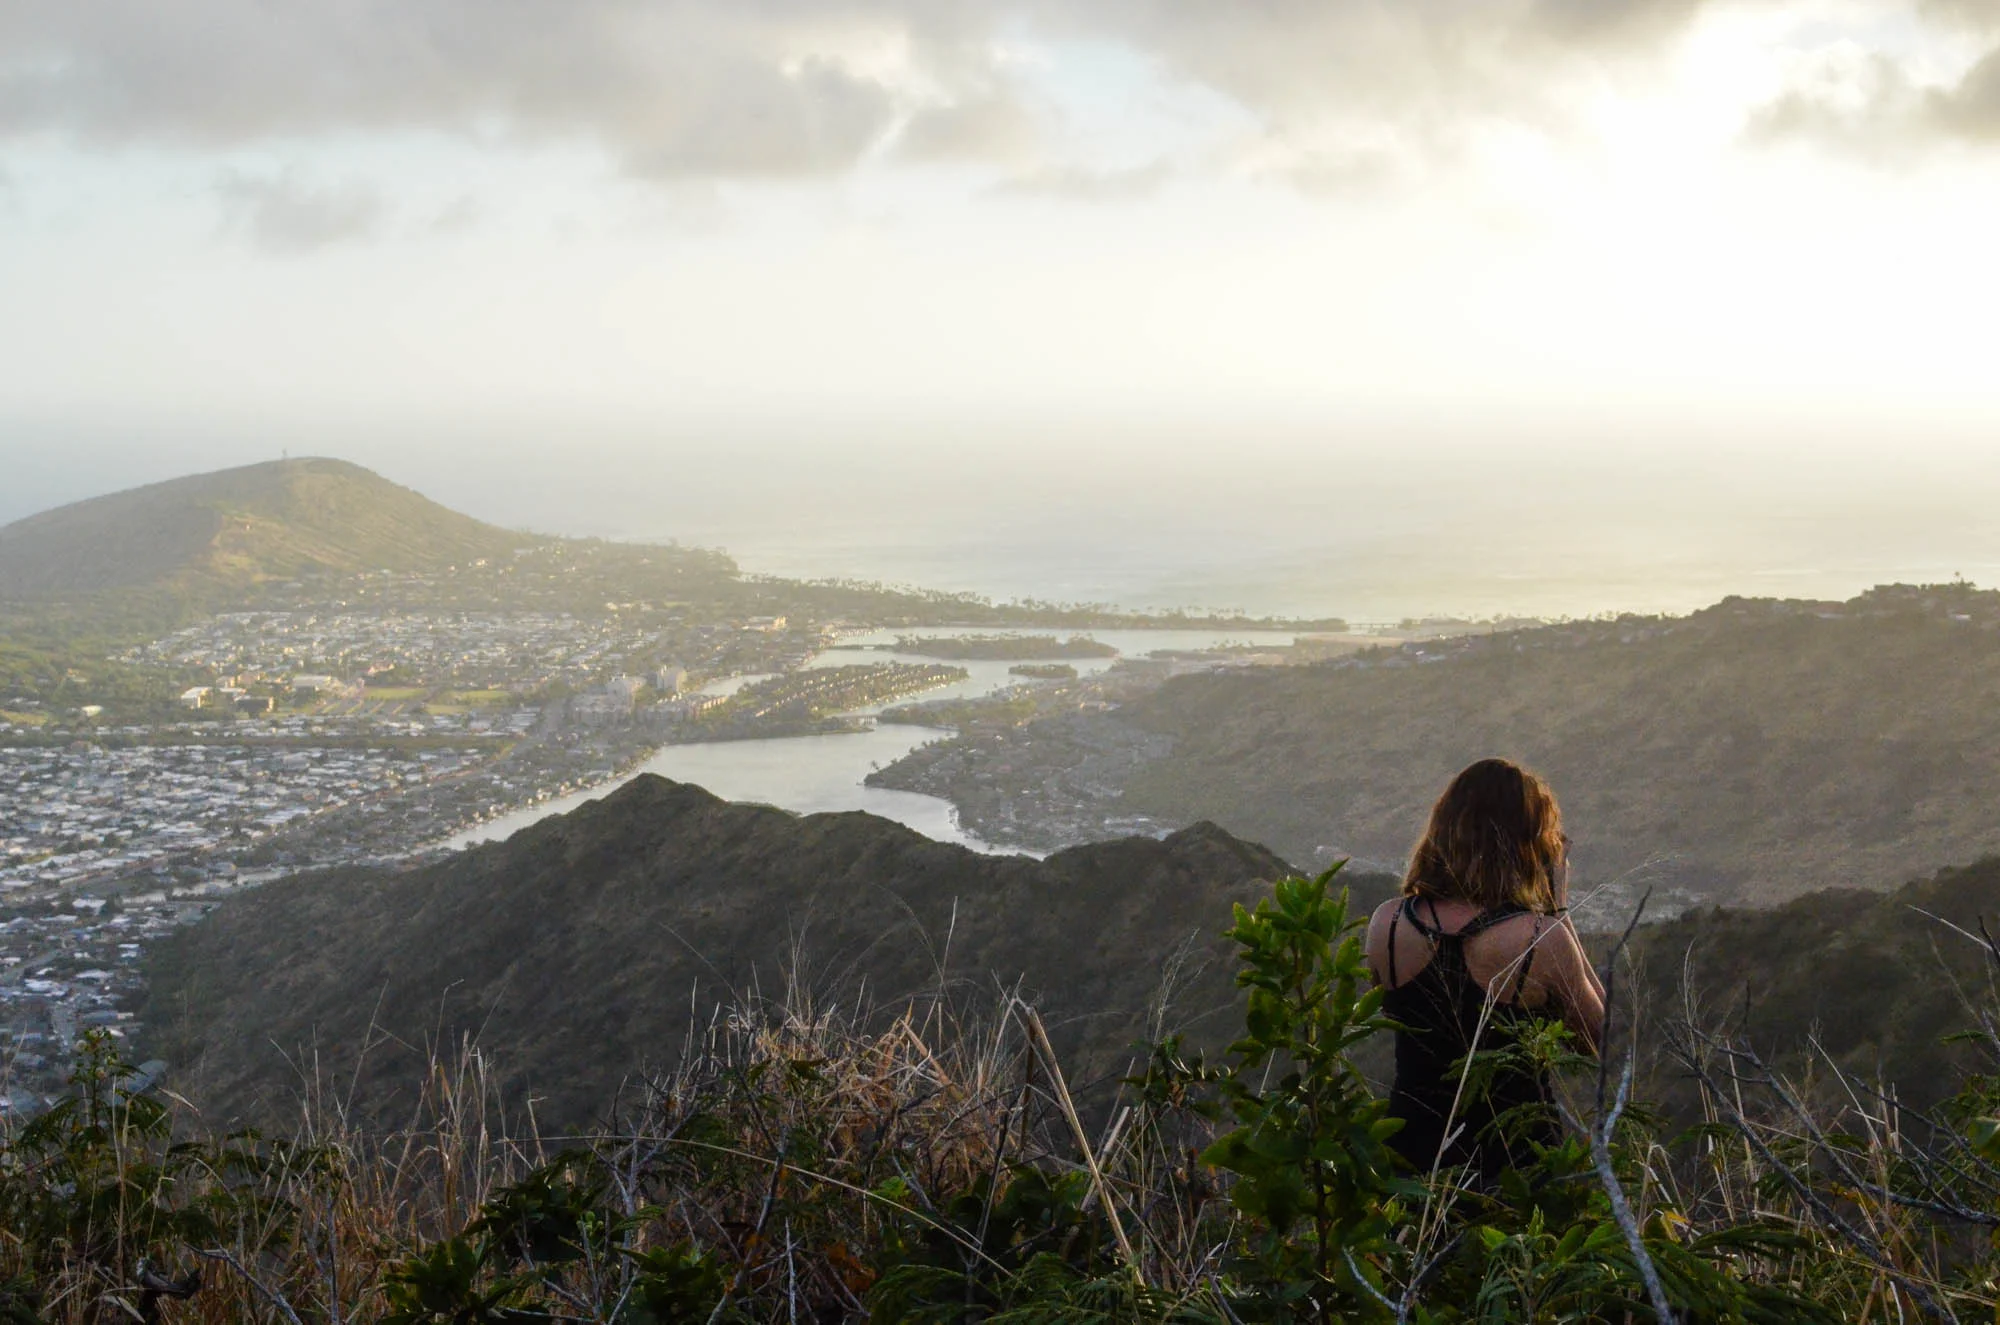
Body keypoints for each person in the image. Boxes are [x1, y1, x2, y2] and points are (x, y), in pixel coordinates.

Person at [1365, 757, 1606, 1182]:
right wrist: (1559, 908)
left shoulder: (1387, 923)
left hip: (1414, 1164)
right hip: (1517, 1169)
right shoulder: (1537, 939)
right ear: (1526, 844)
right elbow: (1596, 1039)